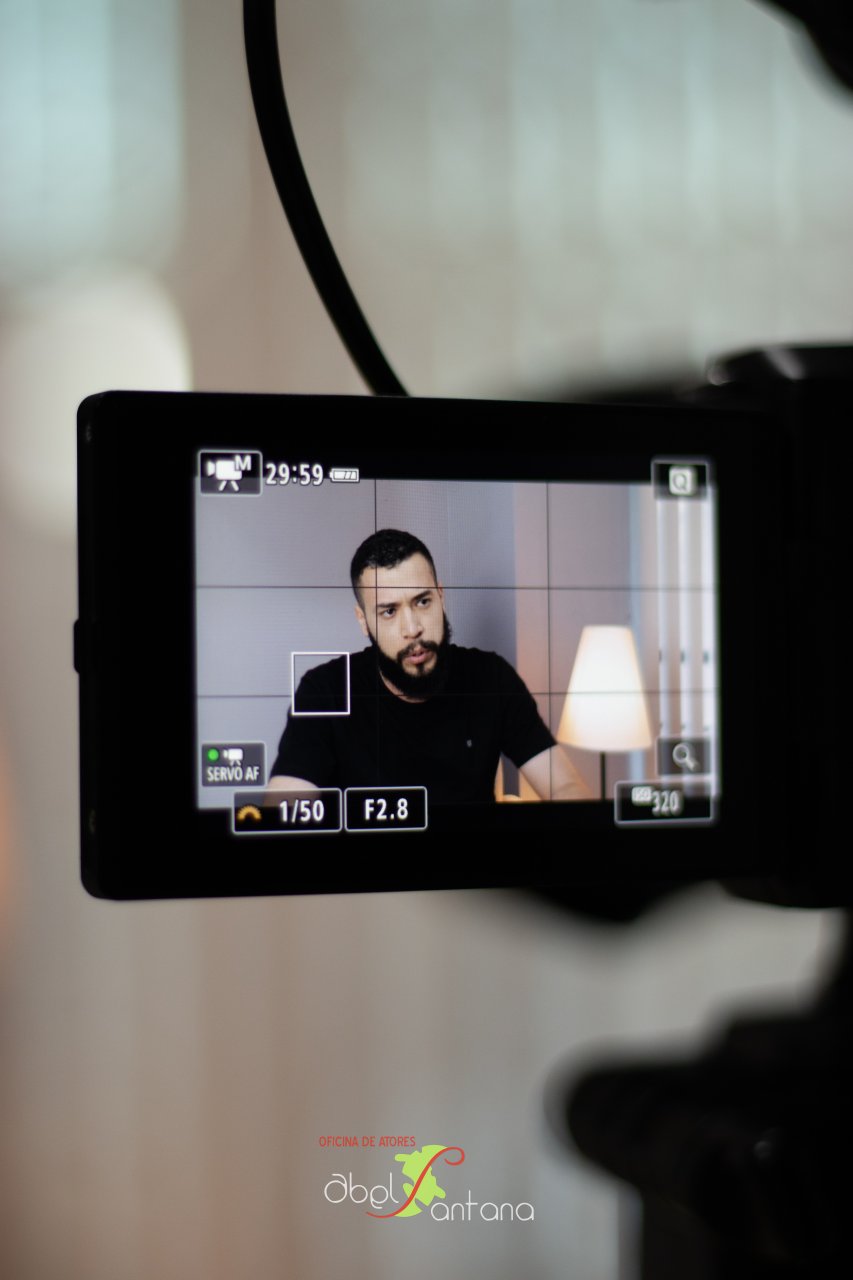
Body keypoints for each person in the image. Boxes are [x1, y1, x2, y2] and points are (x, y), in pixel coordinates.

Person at [268, 529, 589, 804]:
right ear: (363, 621)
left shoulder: (491, 676)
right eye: (389, 612)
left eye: (423, 601)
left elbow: (564, 787)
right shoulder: (325, 690)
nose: (413, 629)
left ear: (441, 596)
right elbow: (283, 806)